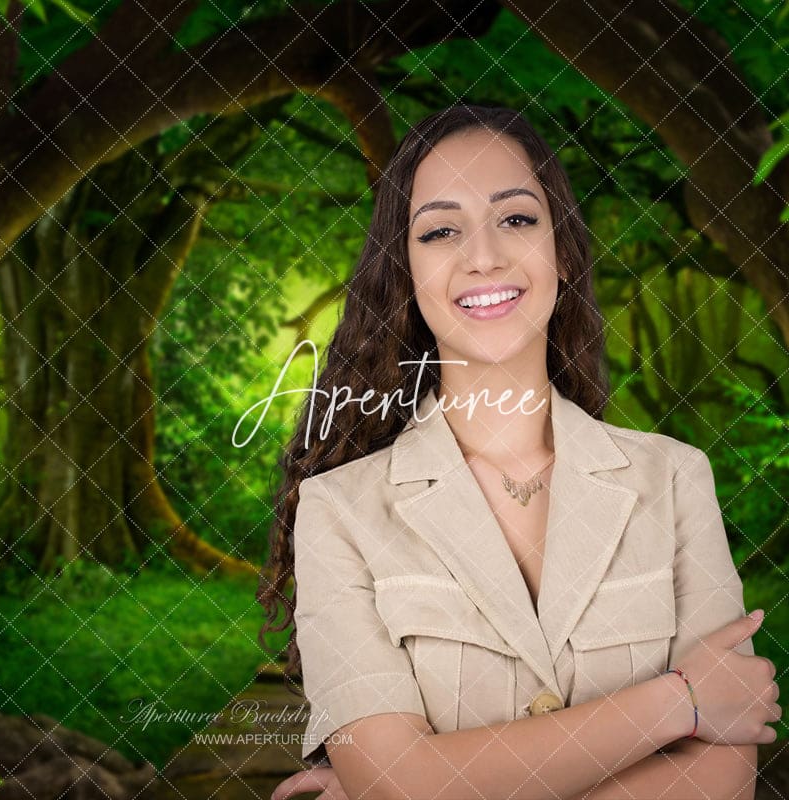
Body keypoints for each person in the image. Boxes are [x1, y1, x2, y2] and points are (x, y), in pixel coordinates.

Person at [258, 104, 780, 800]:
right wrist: (679, 702)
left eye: (516, 218)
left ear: (561, 250)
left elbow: (723, 782)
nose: (484, 257)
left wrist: (436, 782)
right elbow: (396, 785)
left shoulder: (676, 479)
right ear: (405, 271)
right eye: (441, 230)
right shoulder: (339, 512)